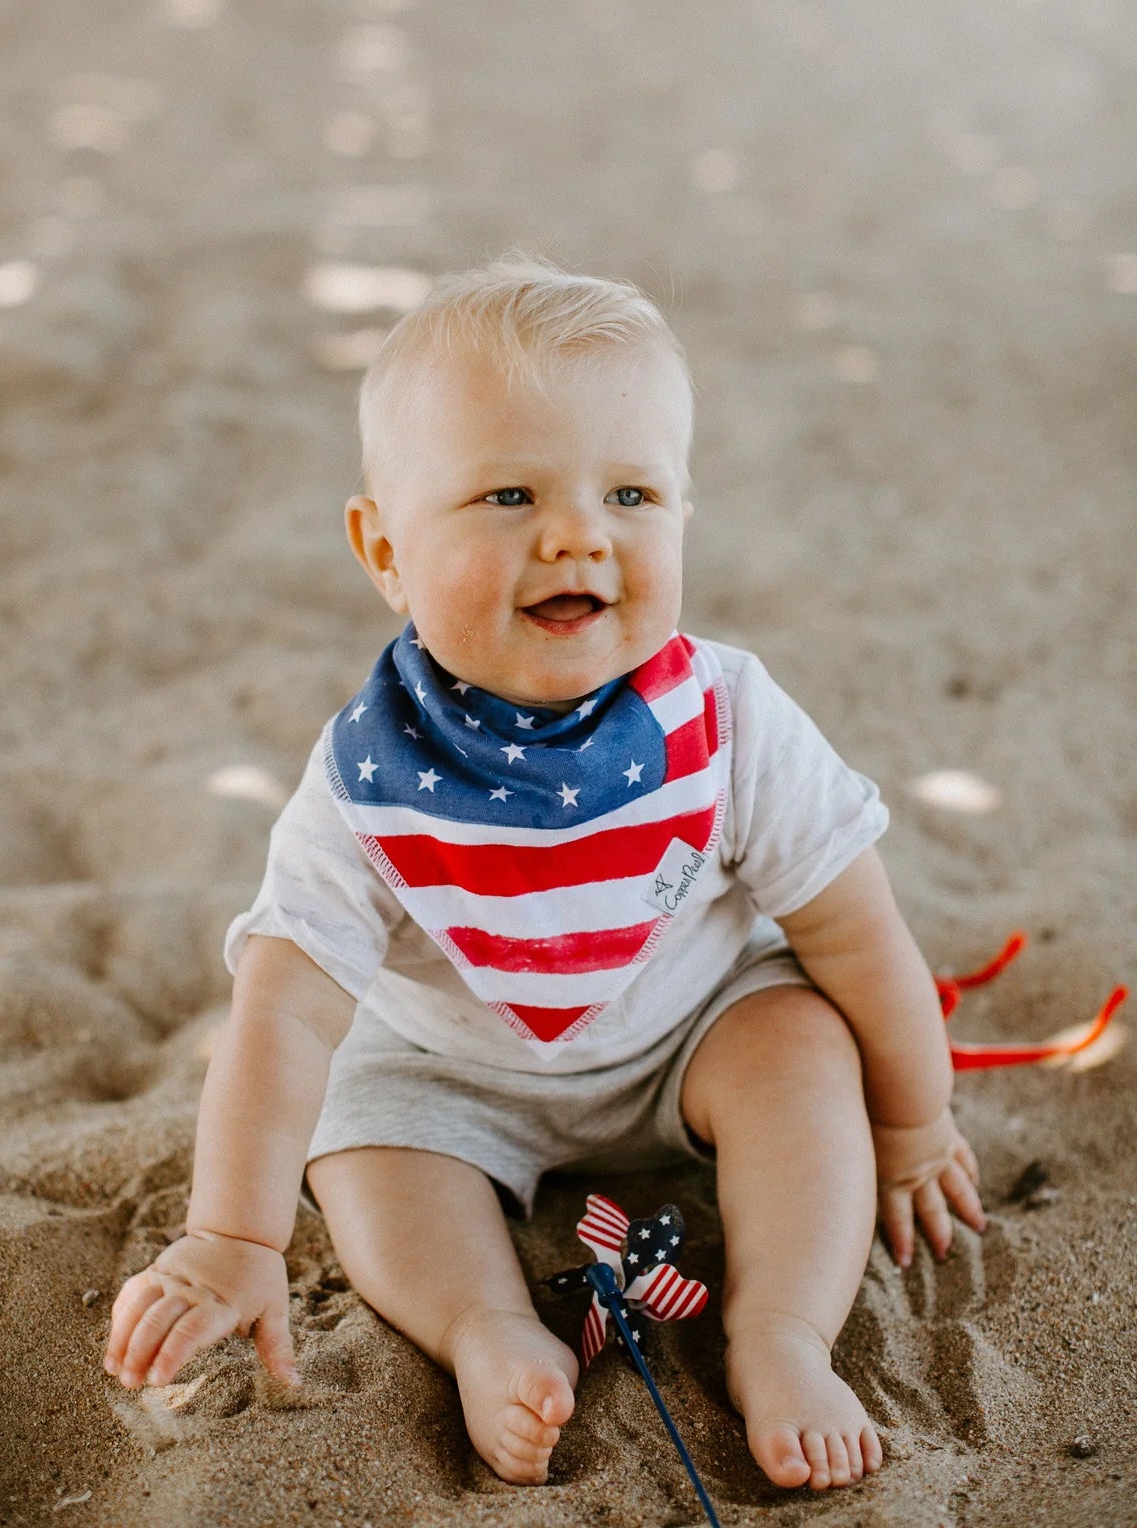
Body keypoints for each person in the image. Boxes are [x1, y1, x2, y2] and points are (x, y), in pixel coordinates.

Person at [105, 257, 985, 1493]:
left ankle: (783, 1334)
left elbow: (855, 930)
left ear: (683, 513)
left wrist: (913, 1120)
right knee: (361, 1142)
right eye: (509, 494)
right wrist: (230, 1236)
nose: (578, 533)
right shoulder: (369, 781)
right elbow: (289, 1009)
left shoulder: (725, 721)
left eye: (630, 492)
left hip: (692, 1032)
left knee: (802, 1041)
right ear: (386, 550)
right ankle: (487, 1327)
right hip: (446, 1070)